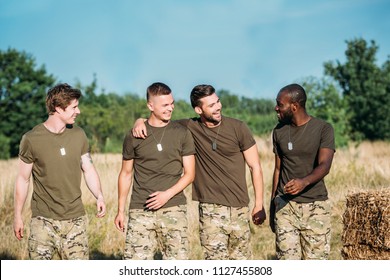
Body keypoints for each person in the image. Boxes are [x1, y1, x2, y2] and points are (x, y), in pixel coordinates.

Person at [132, 84, 265, 260]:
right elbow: (159, 121)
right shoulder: (190, 127)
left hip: (239, 207)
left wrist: (259, 204)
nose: (218, 107)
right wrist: (139, 120)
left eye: (217, 101)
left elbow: (255, 166)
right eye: (211, 105)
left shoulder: (238, 128)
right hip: (211, 209)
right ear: (198, 109)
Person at [13, 83, 106, 260]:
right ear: (58, 108)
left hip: (75, 221)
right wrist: (18, 216)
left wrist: (99, 195)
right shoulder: (31, 139)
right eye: (74, 107)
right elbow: (23, 179)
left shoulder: (79, 135)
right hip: (43, 221)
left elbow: (88, 168)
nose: (78, 112)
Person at [114, 82, 196, 260]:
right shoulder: (134, 135)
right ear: (150, 106)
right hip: (140, 209)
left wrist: (167, 195)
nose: (171, 108)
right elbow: (126, 174)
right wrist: (120, 210)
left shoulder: (182, 133)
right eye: (165, 105)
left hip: (174, 207)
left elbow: (190, 174)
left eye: (172, 103)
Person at [270, 83, 335, 260]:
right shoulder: (279, 131)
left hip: (316, 207)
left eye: (279, 104)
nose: (276, 107)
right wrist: (272, 205)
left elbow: (325, 165)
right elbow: (278, 169)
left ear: (295, 106)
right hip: (285, 207)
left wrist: (303, 182)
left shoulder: (323, 129)